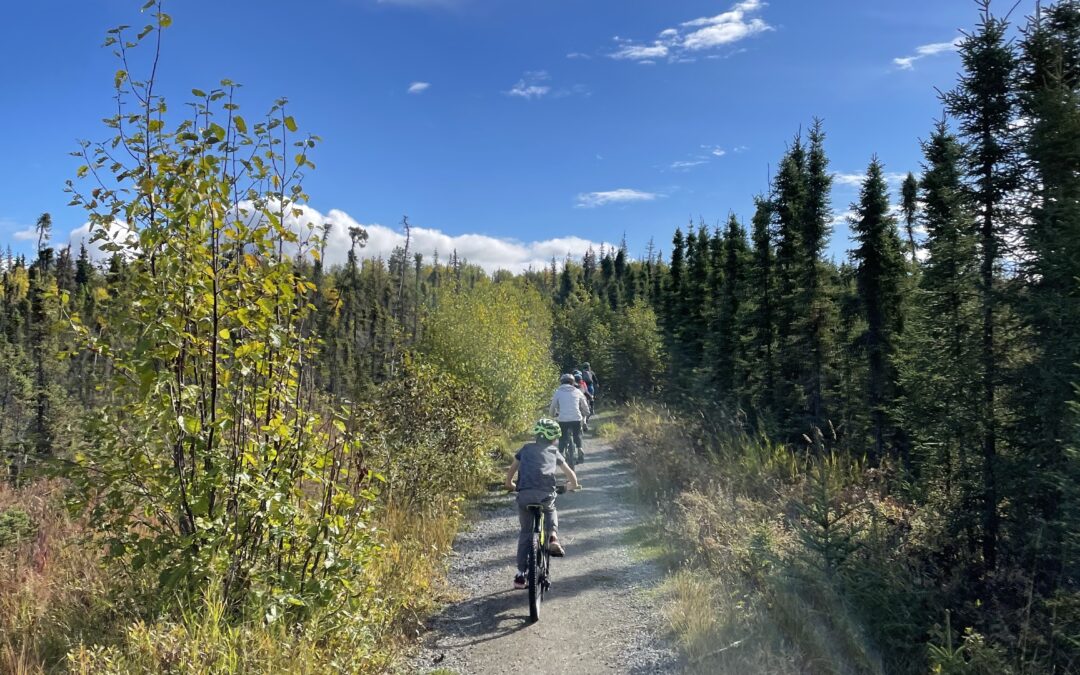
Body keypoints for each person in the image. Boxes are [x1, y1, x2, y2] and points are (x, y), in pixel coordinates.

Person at [504, 418, 579, 590]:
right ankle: (552, 536)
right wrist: (571, 486)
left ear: (536, 435)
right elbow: (572, 477)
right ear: (554, 438)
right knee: (550, 509)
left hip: (525, 495)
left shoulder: (525, 449)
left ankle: (520, 575)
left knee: (526, 532)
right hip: (545, 494)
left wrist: (510, 485)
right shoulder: (554, 451)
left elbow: (511, 471)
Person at [549, 373, 589, 465]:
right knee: (577, 434)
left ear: (561, 382)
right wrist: (586, 413)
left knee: (562, 437)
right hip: (576, 418)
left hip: (563, 419)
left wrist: (552, 415)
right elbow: (585, 404)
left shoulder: (558, 392)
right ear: (572, 382)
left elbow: (553, 406)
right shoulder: (577, 391)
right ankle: (579, 448)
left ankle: (561, 453)